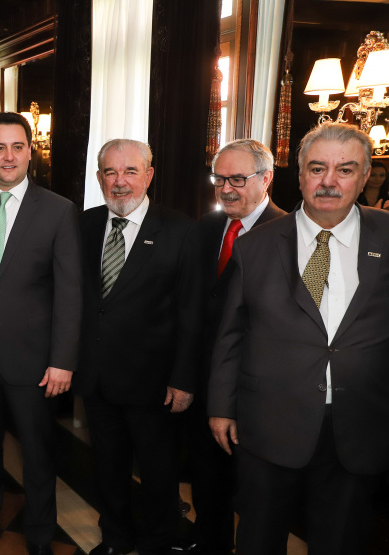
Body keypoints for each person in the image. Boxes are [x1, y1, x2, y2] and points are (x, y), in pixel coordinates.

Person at [208, 122, 389, 554]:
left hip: (359, 426)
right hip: (269, 424)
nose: (329, 181)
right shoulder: (256, 246)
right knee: (258, 538)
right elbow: (231, 333)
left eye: (345, 170)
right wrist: (220, 406)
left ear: (365, 176)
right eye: (317, 168)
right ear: (300, 174)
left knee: (342, 540)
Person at [0, 112, 82, 555]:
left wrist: (63, 359)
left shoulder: (60, 210)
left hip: (36, 361)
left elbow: (70, 292)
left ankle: (41, 535)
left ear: (31, 151)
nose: (8, 156)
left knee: (38, 455)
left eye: (17, 147)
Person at [75, 139, 200, 555]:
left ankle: (157, 542)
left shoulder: (181, 230)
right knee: (107, 468)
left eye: (130, 172)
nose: (120, 182)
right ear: (98, 178)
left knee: (158, 472)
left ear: (149, 175)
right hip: (97, 379)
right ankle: (115, 537)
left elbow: (191, 313)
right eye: (110, 172)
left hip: (156, 385)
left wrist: (184, 378)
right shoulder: (84, 225)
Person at [180, 139, 287, 554]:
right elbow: (191, 310)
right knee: (207, 485)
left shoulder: (288, 233)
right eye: (219, 178)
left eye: (238, 179)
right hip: (205, 389)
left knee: (258, 500)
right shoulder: (207, 227)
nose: (226, 188)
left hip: (256, 395)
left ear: (267, 179)